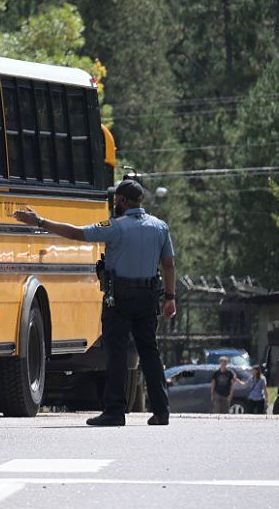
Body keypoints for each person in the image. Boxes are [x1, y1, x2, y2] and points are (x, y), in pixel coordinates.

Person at [13, 178, 176, 427]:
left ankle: (114, 412)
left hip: (119, 299)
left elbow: (77, 233)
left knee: (117, 354)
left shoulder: (114, 226)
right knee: (150, 354)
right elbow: (168, 265)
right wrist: (170, 298)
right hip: (148, 297)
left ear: (122, 201)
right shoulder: (160, 227)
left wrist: (40, 222)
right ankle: (162, 412)